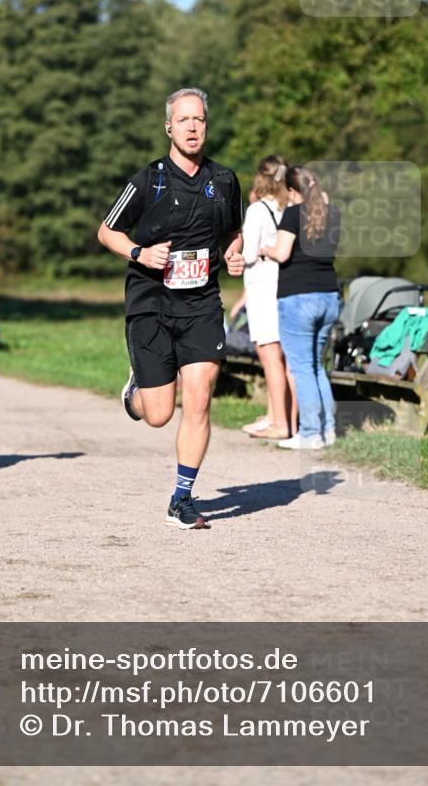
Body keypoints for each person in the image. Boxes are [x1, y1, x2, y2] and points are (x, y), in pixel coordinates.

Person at [97, 87, 244, 530]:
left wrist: (235, 253)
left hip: (201, 304)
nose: (193, 127)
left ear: (206, 125)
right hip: (152, 304)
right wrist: (140, 253)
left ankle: (182, 499)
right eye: (184, 120)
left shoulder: (225, 180)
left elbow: (232, 233)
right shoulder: (149, 180)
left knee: (199, 399)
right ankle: (135, 393)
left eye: (199, 119)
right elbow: (107, 232)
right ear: (169, 127)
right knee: (159, 413)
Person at [260, 165, 340, 449]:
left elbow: (282, 253)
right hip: (329, 296)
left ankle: (309, 434)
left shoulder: (293, 214)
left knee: (302, 368)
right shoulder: (333, 214)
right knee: (316, 366)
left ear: (293, 192)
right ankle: (328, 431)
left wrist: (263, 249)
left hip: (298, 298)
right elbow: (323, 200)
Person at [240, 155, 297, 439]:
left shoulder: (257, 210)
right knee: (287, 358)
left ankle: (280, 423)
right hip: (288, 284)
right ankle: (283, 418)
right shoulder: (291, 206)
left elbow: (248, 253)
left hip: (263, 286)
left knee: (270, 356)